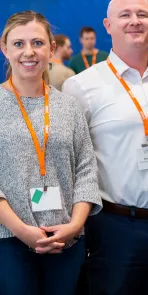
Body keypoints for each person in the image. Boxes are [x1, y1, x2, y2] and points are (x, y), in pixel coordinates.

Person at [63, 0, 148, 294]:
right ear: (108, 26)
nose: (134, 21)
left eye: (142, 14)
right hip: (114, 229)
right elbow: (70, 163)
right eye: (125, 15)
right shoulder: (81, 87)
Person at [0, 10, 102, 295]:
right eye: (19, 44)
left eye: (37, 43)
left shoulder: (69, 107)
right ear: (4, 48)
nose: (28, 52)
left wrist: (75, 225)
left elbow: (86, 170)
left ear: (51, 48)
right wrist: (23, 231)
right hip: (8, 240)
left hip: (66, 241)